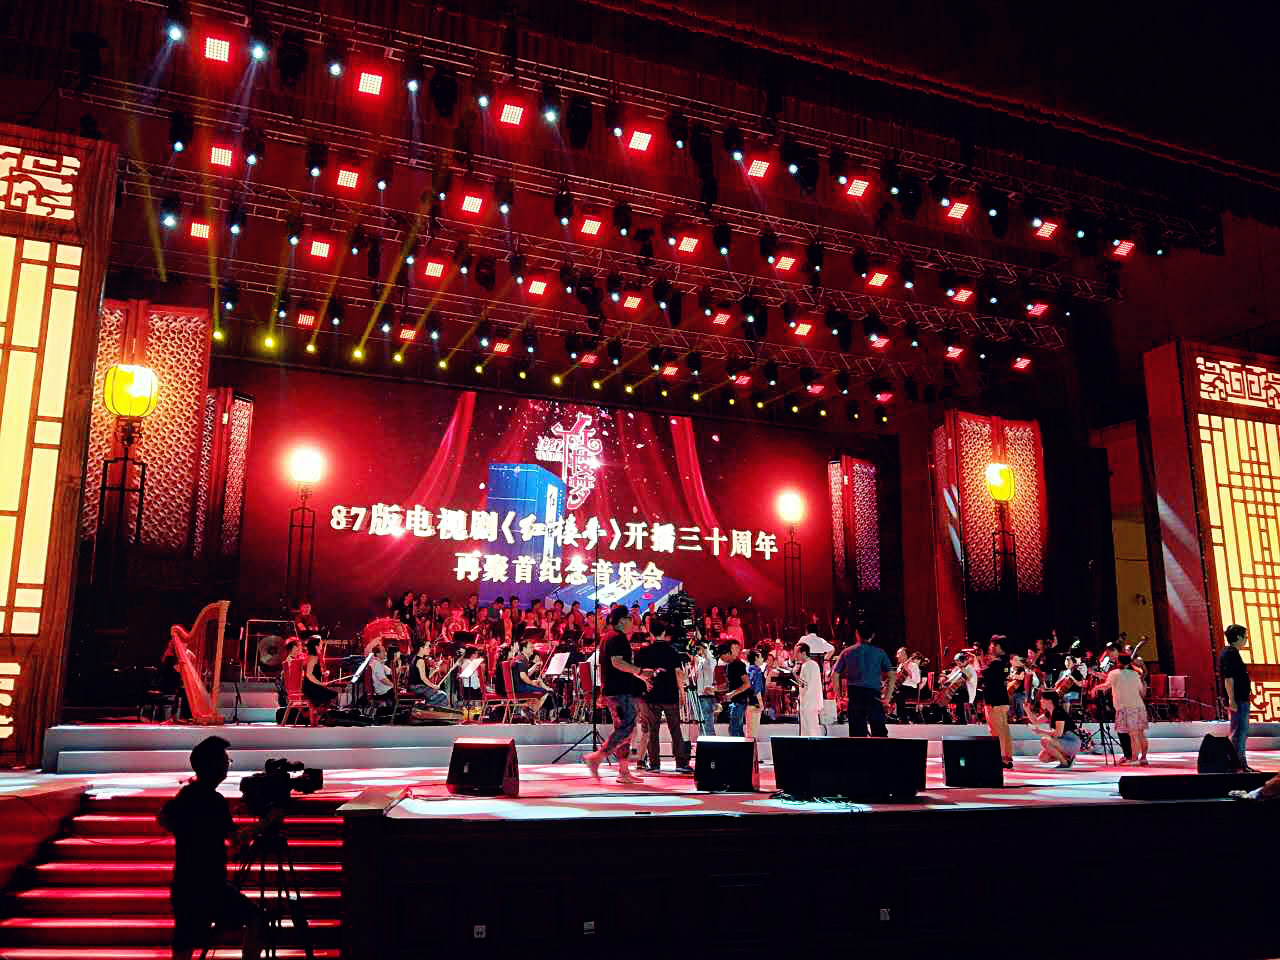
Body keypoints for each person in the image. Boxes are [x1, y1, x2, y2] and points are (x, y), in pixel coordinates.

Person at [158, 736, 261, 960]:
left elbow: (164, 819)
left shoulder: (187, 794)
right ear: (213, 766)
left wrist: (190, 831)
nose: (227, 766)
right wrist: (267, 822)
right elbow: (236, 839)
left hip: (184, 883)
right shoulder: (214, 800)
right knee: (256, 918)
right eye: (225, 761)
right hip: (209, 885)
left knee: (184, 942)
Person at [583, 607, 654, 783]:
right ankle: (597, 757)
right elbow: (617, 663)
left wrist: (641, 676)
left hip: (615, 690)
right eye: (630, 618)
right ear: (622, 620)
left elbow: (618, 665)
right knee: (627, 728)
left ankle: (623, 771)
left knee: (624, 730)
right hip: (619, 691)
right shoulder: (617, 638)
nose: (632, 621)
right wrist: (640, 671)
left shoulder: (608, 637)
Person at [635, 620, 693, 773]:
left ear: (651, 634)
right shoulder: (672, 651)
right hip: (670, 694)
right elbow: (678, 673)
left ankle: (654, 764)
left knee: (652, 731)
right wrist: (682, 693)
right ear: (664, 633)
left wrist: (645, 683)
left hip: (651, 695)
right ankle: (681, 763)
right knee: (675, 729)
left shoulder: (644, 652)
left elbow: (636, 671)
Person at [832, 625, 893, 737]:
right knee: (879, 732)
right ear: (872, 635)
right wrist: (887, 698)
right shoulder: (880, 653)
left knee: (857, 734)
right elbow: (891, 675)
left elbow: (835, 674)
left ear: (857, 634)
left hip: (855, 695)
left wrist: (839, 697)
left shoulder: (847, 652)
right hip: (873, 694)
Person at [1100, 654, 1148, 765]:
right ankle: (1143, 758)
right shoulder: (1135, 674)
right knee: (1140, 733)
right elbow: (1141, 692)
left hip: (1126, 707)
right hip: (1139, 706)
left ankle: (1134, 759)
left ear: (1118, 661)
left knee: (1133, 734)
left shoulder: (1114, 673)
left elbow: (1106, 685)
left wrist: (1096, 688)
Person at [1221, 624, 1255, 771]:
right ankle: (1239, 765)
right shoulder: (1230, 653)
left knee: (1240, 732)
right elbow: (1228, 678)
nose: (1246, 639)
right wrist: (1232, 699)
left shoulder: (1232, 653)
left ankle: (1240, 764)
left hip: (1241, 699)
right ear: (1238, 637)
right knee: (1239, 733)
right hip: (1238, 700)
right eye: (1245, 637)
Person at [982, 636, 1014, 769]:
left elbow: (984, 675)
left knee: (996, 731)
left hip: (994, 701)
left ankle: (1000, 758)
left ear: (998, 646)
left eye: (992, 645)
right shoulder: (1005, 662)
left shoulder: (997, 663)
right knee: (1004, 730)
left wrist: (978, 662)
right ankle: (1007, 757)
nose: (990, 648)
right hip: (1002, 700)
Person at [1028, 689, 1080, 768]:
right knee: (1043, 757)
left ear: (1049, 700)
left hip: (1071, 741)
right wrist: (1027, 709)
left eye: (1042, 699)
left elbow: (1058, 733)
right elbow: (1036, 721)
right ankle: (1068, 758)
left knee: (1044, 740)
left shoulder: (1058, 712)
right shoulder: (1050, 712)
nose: (1040, 701)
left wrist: (1040, 731)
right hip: (1062, 741)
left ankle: (1064, 763)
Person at [511, 637, 556, 718]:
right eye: (530, 647)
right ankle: (530, 711)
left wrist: (534, 666)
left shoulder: (520, 657)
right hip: (519, 687)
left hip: (516, 686)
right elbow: (523, 676)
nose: (533, 649)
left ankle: (527, 708)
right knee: (544, 692)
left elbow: (526, 674)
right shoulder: (523, 659)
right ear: (524, 649)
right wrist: (532, 683)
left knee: (539, 684)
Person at [407, 637, 449, 707]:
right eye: (428, 647)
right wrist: (434, 686)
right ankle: (426, 708)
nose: (430, 649)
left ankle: (427, 707)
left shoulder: (416, 658)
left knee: (440, 695)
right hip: (417, 688)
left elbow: (423, 677)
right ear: (421, 648)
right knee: (442, 695)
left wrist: (434, 671)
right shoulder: (420, 661)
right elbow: (423, 678)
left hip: (416, 686)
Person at [794, 641, 824, 736]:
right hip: (810, 700)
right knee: (811, 726)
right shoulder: (812, 665)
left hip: (808, 701)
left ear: (803, 653)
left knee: (809, 726)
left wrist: (794, 674)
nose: (795, 655)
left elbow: (804, 684)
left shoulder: (807, 665)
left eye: (797, 653)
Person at [692, 639, 718, 737]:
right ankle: (704, 741)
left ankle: (711, 744)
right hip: (700, 695)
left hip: (707, 696)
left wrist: (704, 647)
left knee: (708, 725)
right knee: (703, 724)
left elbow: (709, 658)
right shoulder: (701, 661)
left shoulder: (711, 660)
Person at [302, 637, 336, 711]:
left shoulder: (313, 657)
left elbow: (314, 672)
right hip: (311, 687)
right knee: (332, 695)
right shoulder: (313, 657)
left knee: (330, 696)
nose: (322, 645)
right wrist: (320, 683)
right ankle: (317, 712)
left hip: (312, 686)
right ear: (316, 646)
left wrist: (324, 673)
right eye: (320, 644)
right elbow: (309, 674)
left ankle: (318, 712)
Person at [893, 647, 922, 721]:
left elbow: (917, 680)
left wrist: (908, 670)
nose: (897, 656)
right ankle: (890, 715)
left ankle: (903, 718)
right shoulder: (900, 666)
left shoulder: (913, 665)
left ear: (905, 655)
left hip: (911, 690)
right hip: (901, 688)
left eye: (899, 654)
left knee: (899, 694)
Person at [368, 644, 396, 712]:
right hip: (383, 690)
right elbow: (382, 679)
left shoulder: (378, 663)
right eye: (383, 651)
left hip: (382, 689)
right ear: (377, 654)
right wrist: (394, 686)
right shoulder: (377, 664)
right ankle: (395, 712)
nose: (385, 653)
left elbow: (390, 671)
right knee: (400, 692)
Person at [745, 649, 766, 738]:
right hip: (755, 703)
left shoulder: (748, 669)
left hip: (747, 702)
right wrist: (761, 703)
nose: (762, 659)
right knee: (753, 732)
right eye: (761, 657)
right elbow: (757, 689)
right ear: (756, 658)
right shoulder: (757, 671)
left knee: (749, 730)